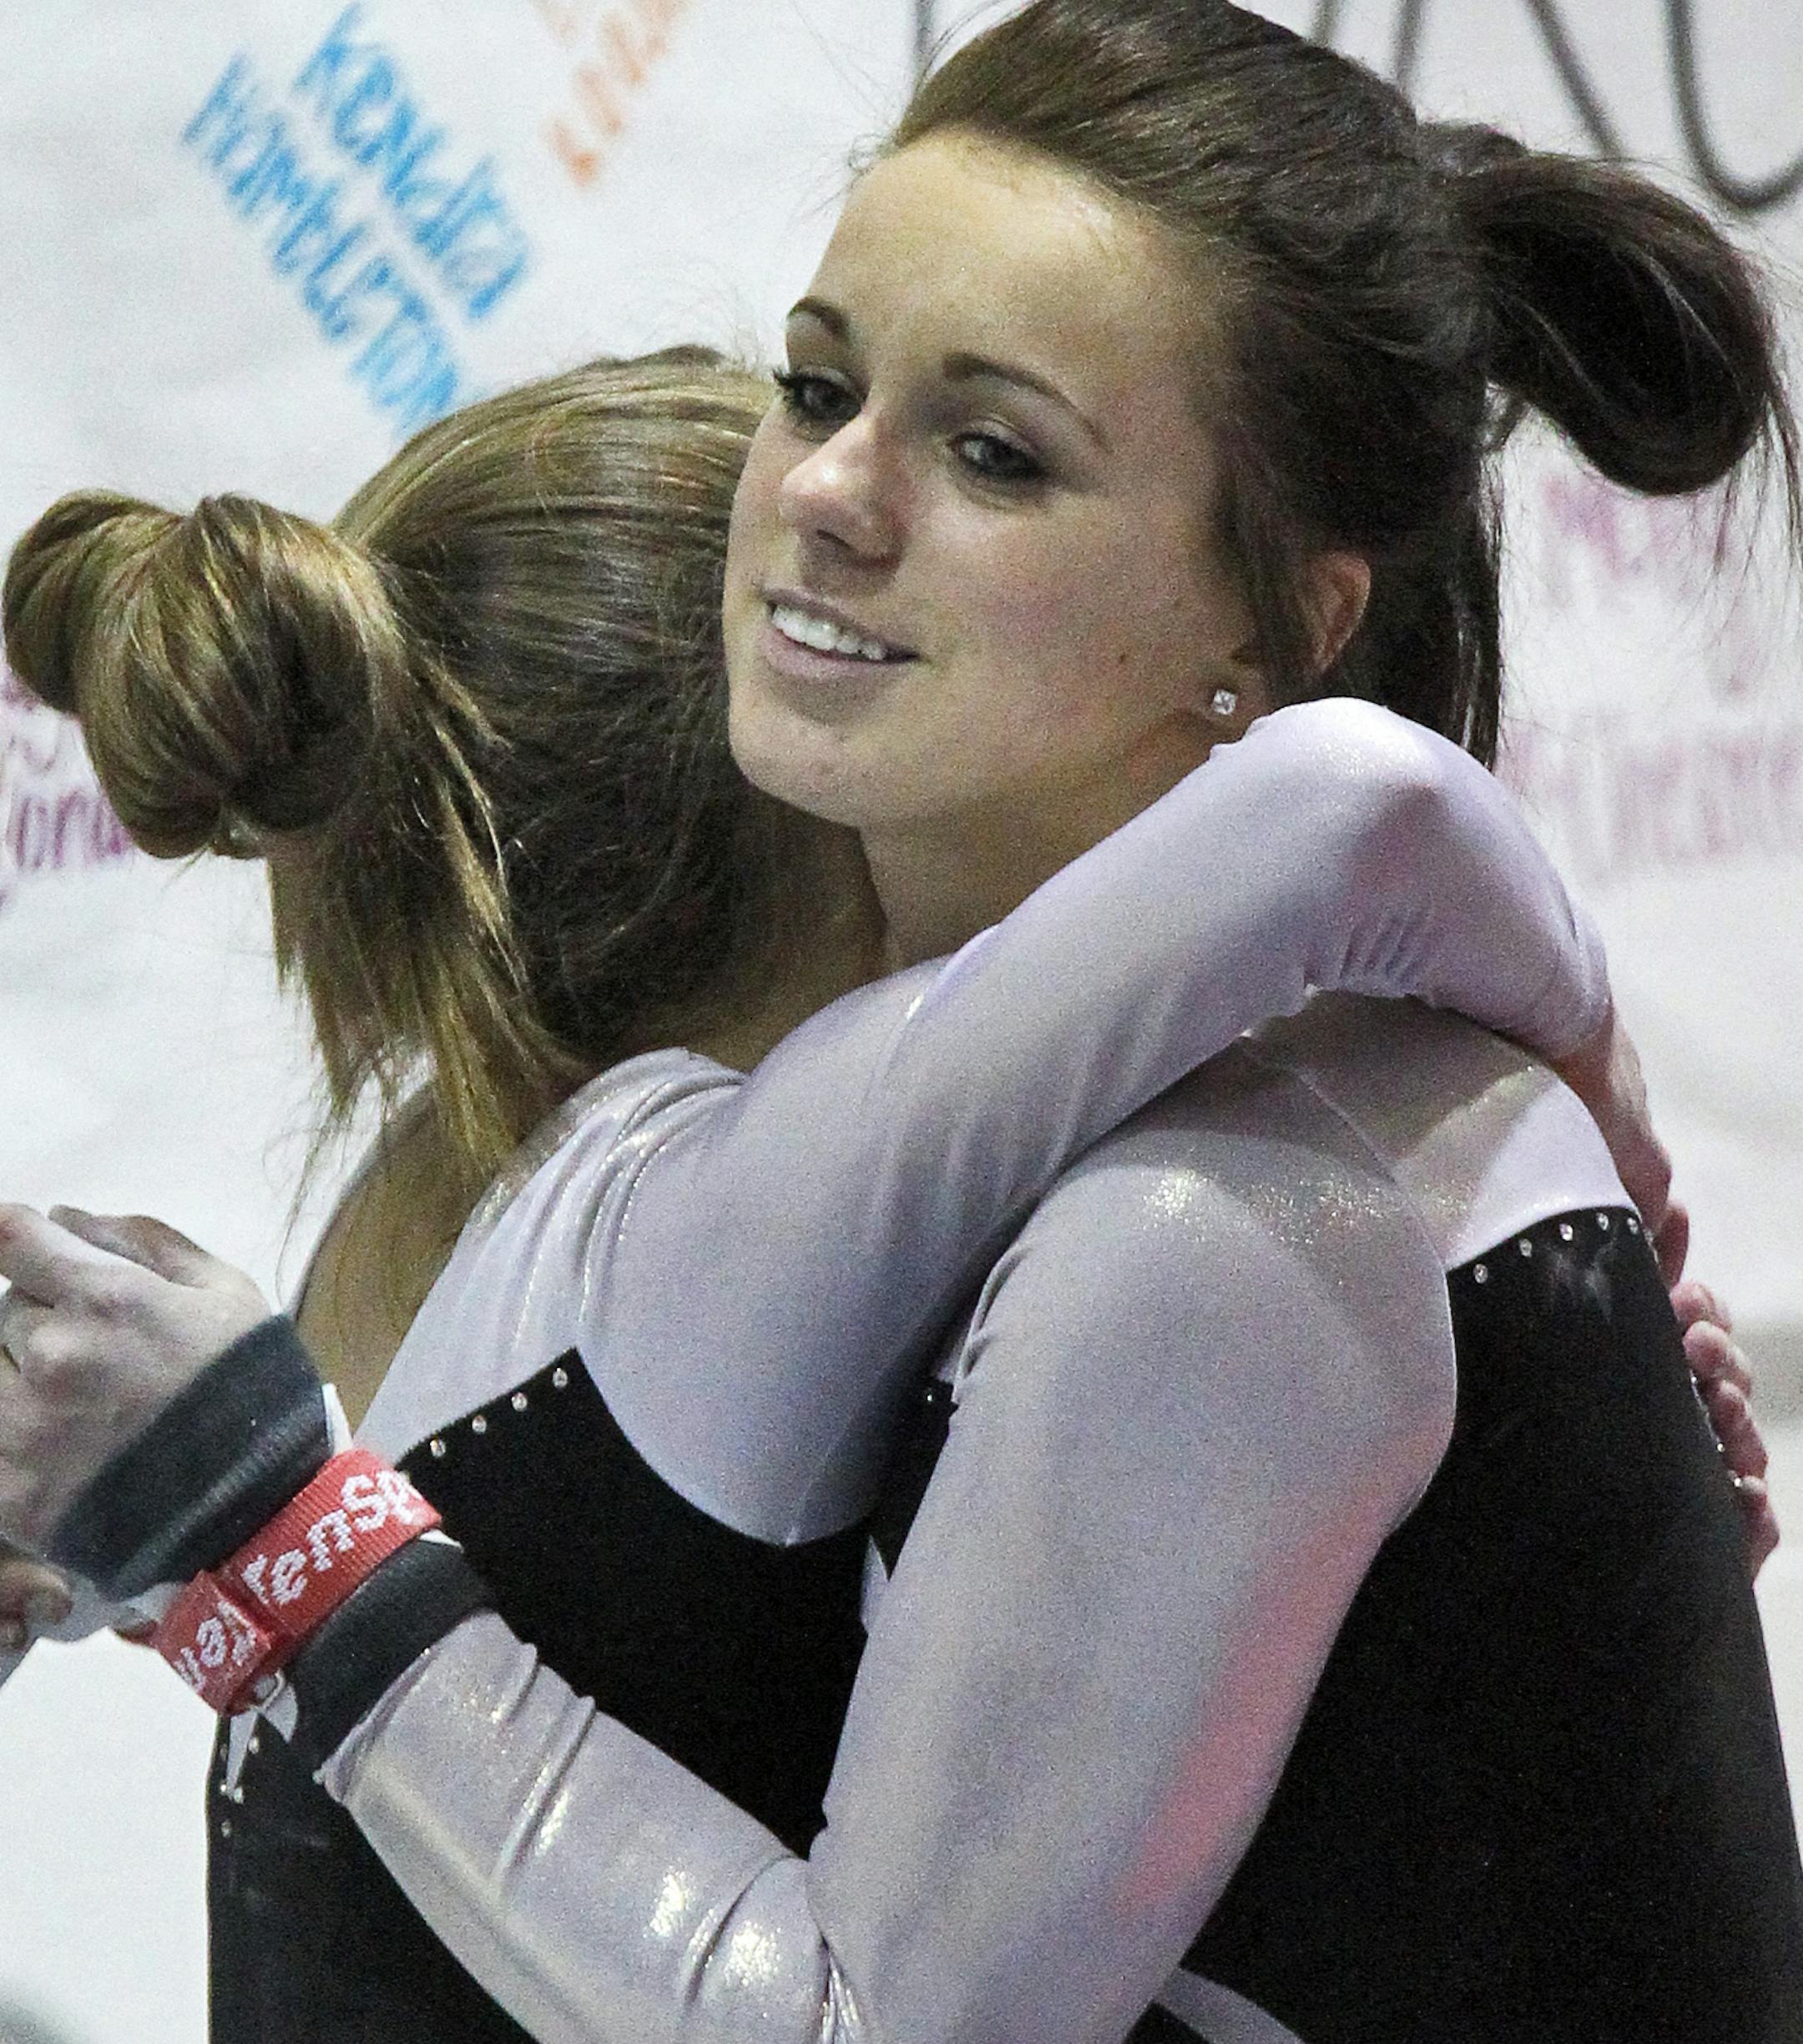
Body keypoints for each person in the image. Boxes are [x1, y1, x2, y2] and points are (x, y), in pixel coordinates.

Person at [3, 0, 1798, 2036]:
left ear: (1287, 620)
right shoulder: (957, 1130)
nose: (833, 494)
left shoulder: (1217, 1222)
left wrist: (283, 1556)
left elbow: (876, 2023)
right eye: (817, 381)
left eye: (996, 451)